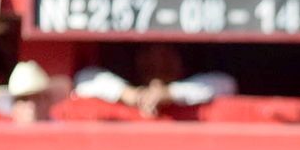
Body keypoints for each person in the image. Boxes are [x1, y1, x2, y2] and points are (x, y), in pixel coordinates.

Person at [73, 42, 236, 118]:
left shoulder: (191, 88)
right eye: (149, 58)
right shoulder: (128, 88)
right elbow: (85, 78)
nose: (158, 63)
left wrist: (170, 93)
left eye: (167, 57)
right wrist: (133, 95)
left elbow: (226, 84)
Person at [0, 60, 72, 122]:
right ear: (14, 107)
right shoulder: (4, 140)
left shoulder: (63, 135)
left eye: (37, 98)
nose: (32, 106)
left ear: (48, 100)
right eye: (24, 99)